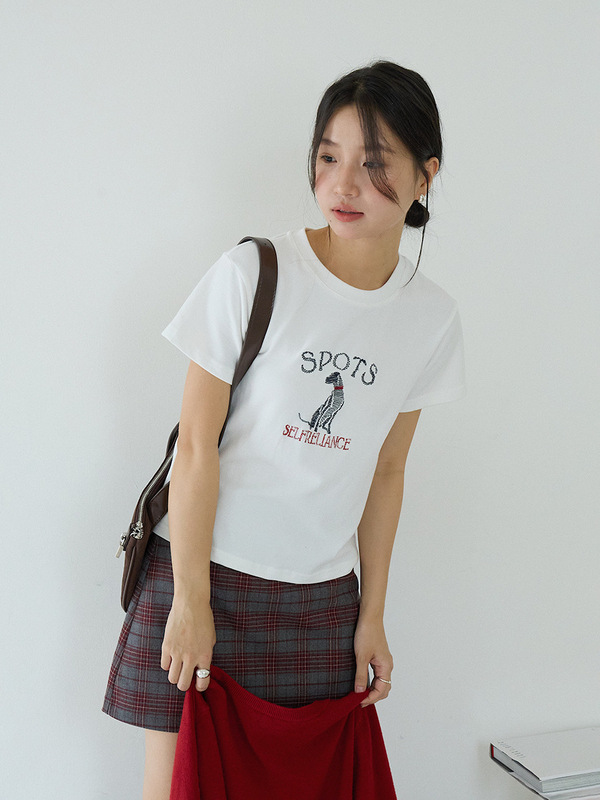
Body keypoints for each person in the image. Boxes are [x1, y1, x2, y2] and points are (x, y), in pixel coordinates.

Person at [102, 59, 466, 799]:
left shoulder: (431, 319)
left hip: (320, 602)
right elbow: (195, 449)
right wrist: (191, 601)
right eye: (328, 158)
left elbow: (387, 472)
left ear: (426, 176)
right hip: (202, 574)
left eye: (373, 163)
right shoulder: (256, 272)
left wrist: (372, 616)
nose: (342, 184)